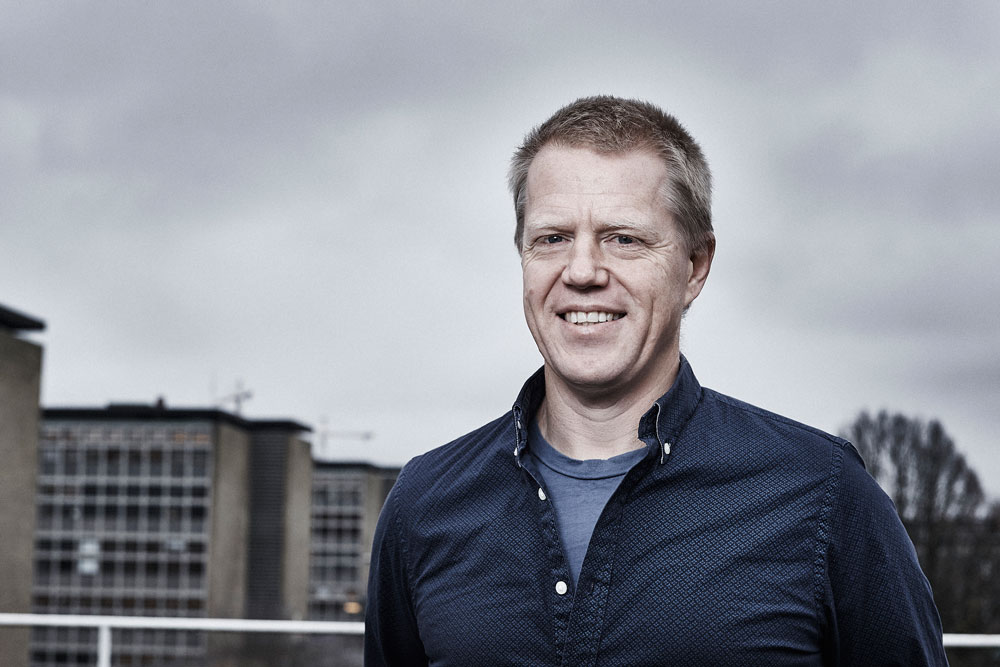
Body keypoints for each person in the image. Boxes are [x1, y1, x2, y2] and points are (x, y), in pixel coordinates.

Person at [365, 96, 947, 666]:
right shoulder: (424, 502)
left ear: (695, 266)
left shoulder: (823, 496)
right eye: (552, 238)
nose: (583, 272)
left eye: (624, 238)